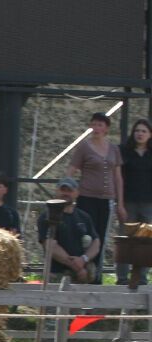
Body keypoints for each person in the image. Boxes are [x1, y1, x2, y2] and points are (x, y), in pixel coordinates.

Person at [65, 112, 126, 283]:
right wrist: (68, 192)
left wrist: (120, 203)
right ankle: (81, 272)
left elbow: (118, 177)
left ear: (106, 128)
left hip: (106, 200)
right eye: (94, 124)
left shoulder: (114, 149)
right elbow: (71, 170)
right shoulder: (84, 147)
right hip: (87, 197)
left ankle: (96, 276)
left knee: (101, 237)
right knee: (86, 237)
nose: (96, 128)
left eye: (100, 125)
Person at [37, 177, 101, 284]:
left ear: (77, 193)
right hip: (56, 275)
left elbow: (96, 243)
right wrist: (76, 266)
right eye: (63, 190)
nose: (66, 193)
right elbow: (50, 245)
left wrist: (84, 259)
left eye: (70, 191)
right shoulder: (46, 217)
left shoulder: (84, 217)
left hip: (82, 275)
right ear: (57, 191)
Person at [116, 118, 152, 285]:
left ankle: (141, 277)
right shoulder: (124, 151)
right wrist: (120, 204)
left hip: (148, 204)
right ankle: (122, 278)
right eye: (137, 130)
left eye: (144, 131)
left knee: (145, 241)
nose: (140, 134)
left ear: (149, 134)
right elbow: (119, 178)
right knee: (126, 240)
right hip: (129, 202)